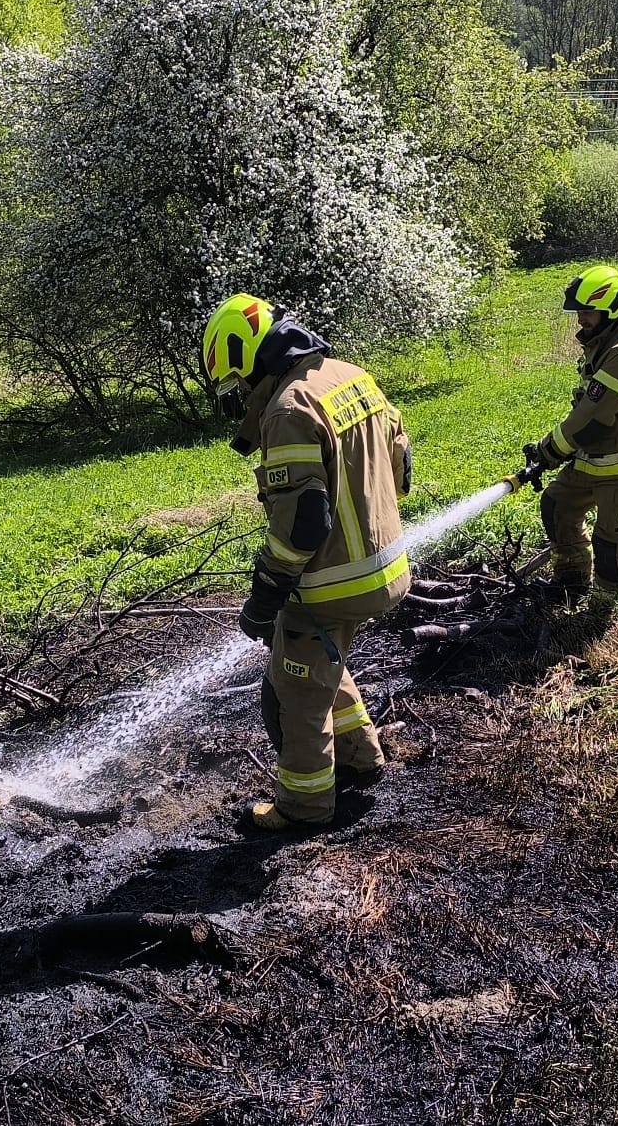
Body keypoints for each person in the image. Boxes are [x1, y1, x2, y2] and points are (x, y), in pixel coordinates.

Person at [202, 293, 412, 831]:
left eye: (237, 380)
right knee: (322, 662)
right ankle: (361, 758)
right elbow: (400, 464)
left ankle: (304, 806)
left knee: (295, 690)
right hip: (386, 566)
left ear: (249, 358)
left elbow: (303, 522)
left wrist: (266, 594)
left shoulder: (289, 409)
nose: (240, 393)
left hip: (332, 583)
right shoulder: (351, 376)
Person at [525, 264, 618, 596]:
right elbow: (588, 411)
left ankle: (602, 610)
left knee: (610, 546)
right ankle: (572, 581)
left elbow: (591, 417)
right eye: (578, 312)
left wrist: (548, 450)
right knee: (557, 506)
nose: (580, 320)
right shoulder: (605, 342)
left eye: (587, 311)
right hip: (597, 459)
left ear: (611, 307)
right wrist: (554, 452)